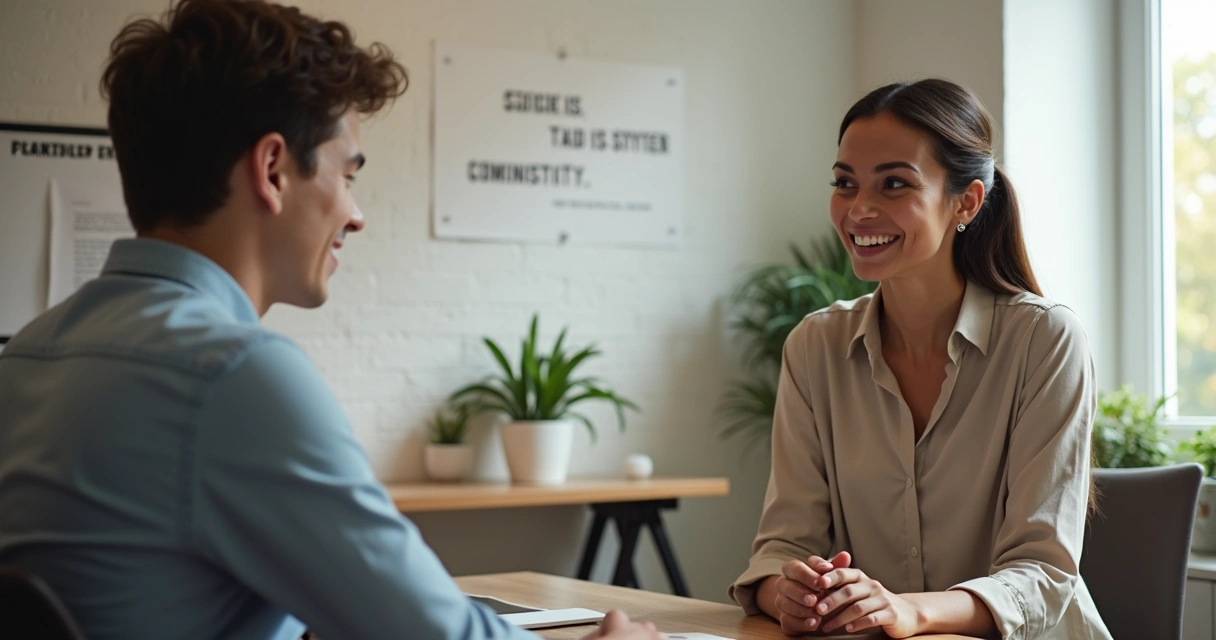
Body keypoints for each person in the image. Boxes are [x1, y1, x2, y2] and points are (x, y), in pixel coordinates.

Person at [0, 2, 663, 640]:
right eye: (348, 174)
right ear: (272, 171)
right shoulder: (233, 377)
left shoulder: (25, 358)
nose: (355, 213)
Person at [729, 79, 1113, 640]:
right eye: (844, 183)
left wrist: (911, 610)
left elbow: (1042, 573)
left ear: (967, 202)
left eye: (894, 184)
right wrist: (791, 590)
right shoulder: (815, 347)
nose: (859, 210)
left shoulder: (1044, 339)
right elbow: (783, 548)